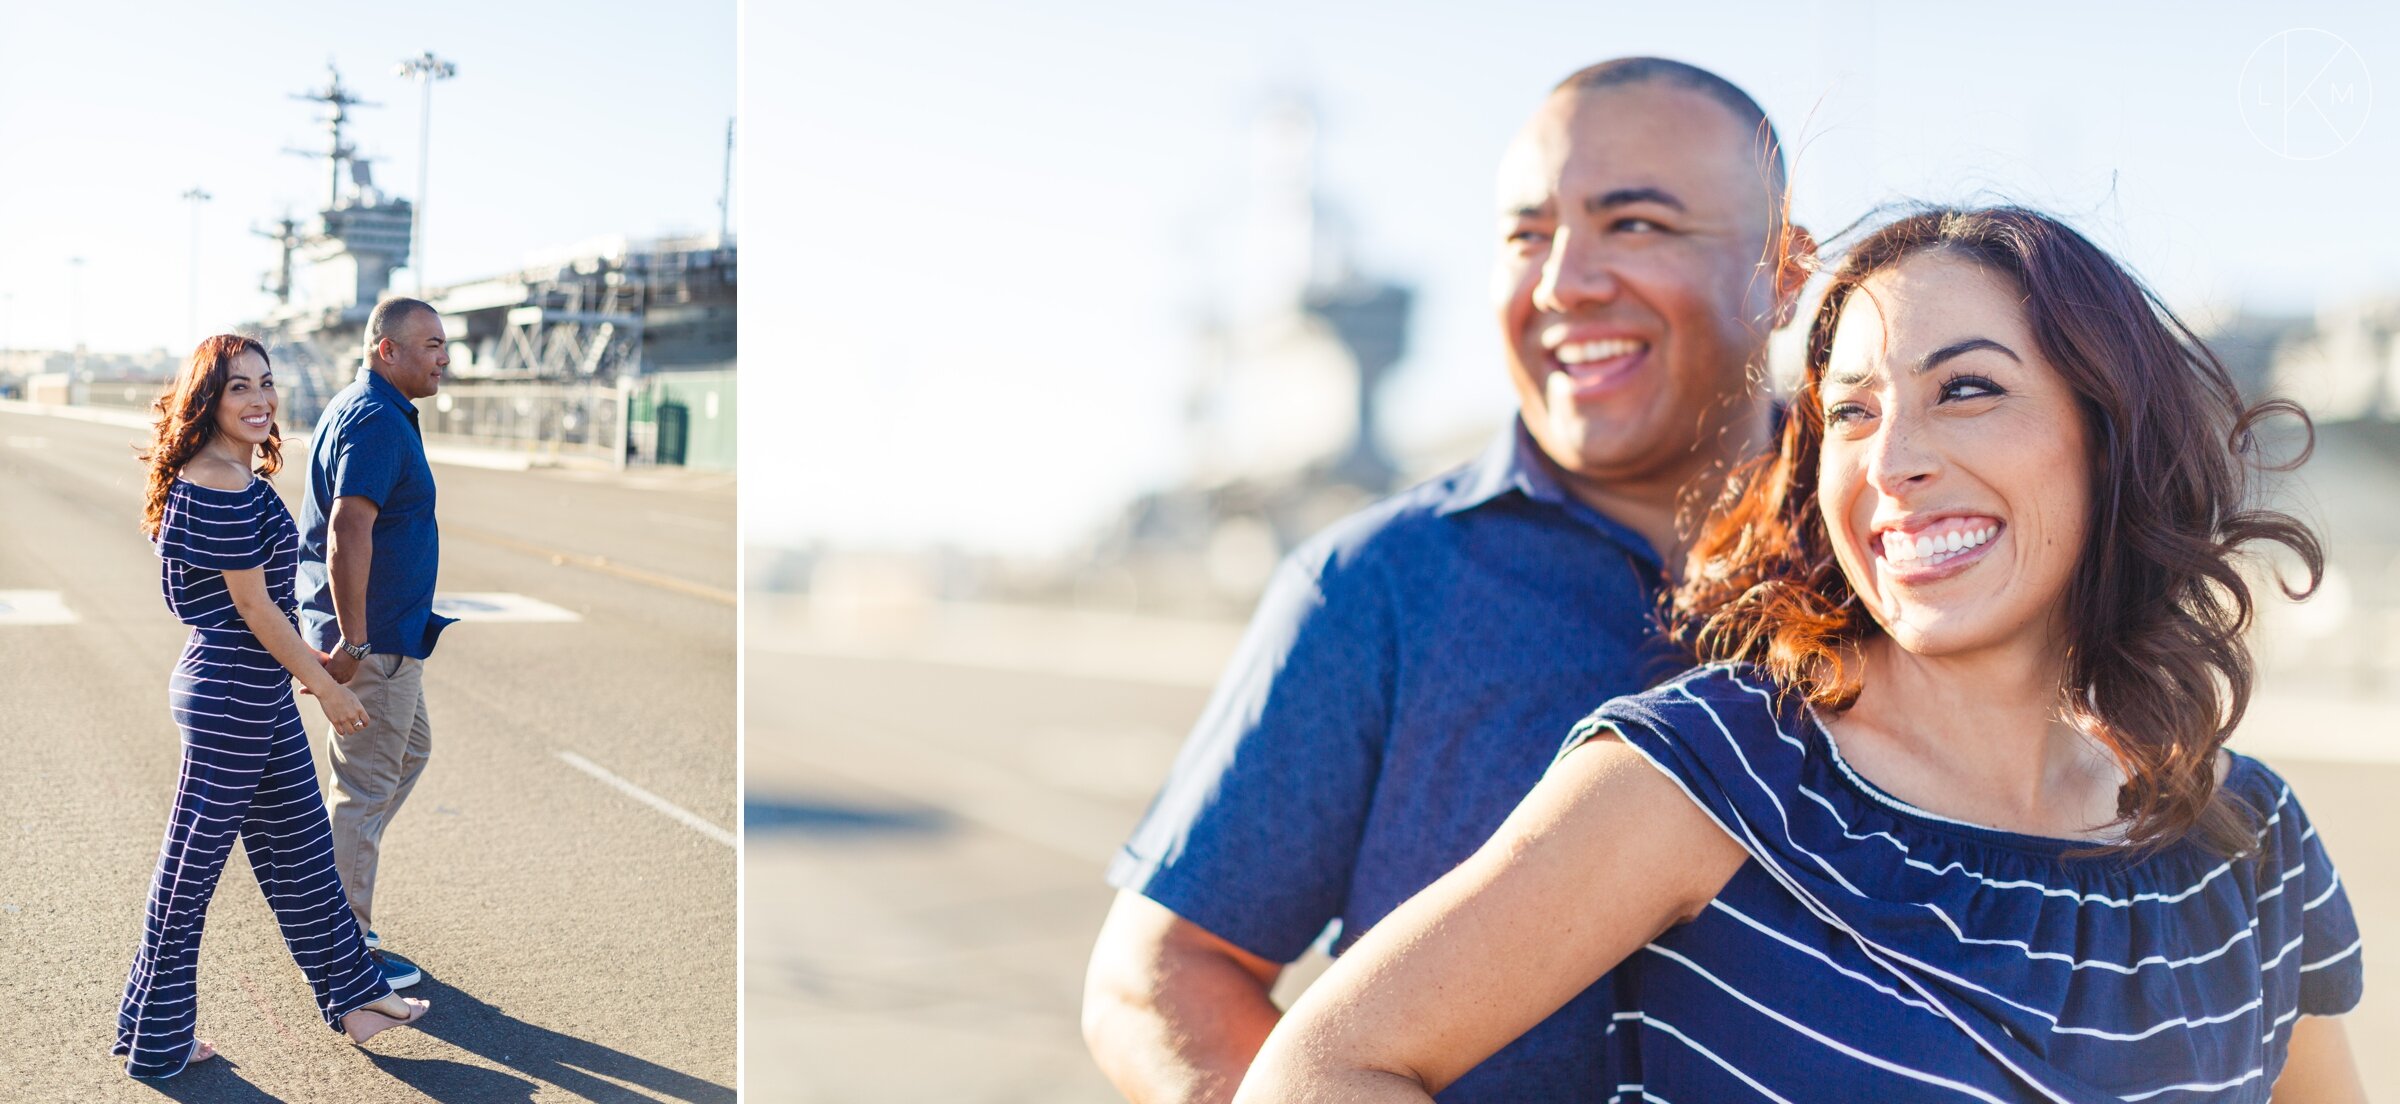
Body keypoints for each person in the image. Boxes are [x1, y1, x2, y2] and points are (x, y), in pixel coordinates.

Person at [1235, 207, 2367, 1102]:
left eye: (1966, 390)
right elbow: (1319, 1072)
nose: (1897, 459)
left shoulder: (2247, 845)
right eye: (1853, 413)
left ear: (2108, 435)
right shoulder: (1714, 777)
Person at [1083, 58, 1811, 1102]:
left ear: (1783, 270)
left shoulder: (1905, 573)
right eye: (1527, 236)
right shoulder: (1378, 586)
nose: (1563, 281)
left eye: (1637, 223)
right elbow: (1153, 978)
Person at [116, 335, 431, 1079]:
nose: (260, 400)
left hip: (248, 687)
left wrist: (311, 663)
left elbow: (260, 613)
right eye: (238, 388)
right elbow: (254, 609)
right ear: (207, 400)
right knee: (189, 875)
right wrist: (327, 685)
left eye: (266, 383)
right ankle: (154, 1040)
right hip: (233, 696)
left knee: (301, 858)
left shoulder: (221, 470)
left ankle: (355, 999)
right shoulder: (220, 479)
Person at [296, 296, 457, 991]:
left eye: (444, 343)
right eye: (429, 344)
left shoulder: (371, 410)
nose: (443, 356)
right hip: (374, 645)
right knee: (362, 791)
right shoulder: (375, 421)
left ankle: (327, 891)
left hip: (387, 640)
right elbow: (347, 531)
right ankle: (344, 952)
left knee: (407, 753)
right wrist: (352, 645)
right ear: (384, 349)